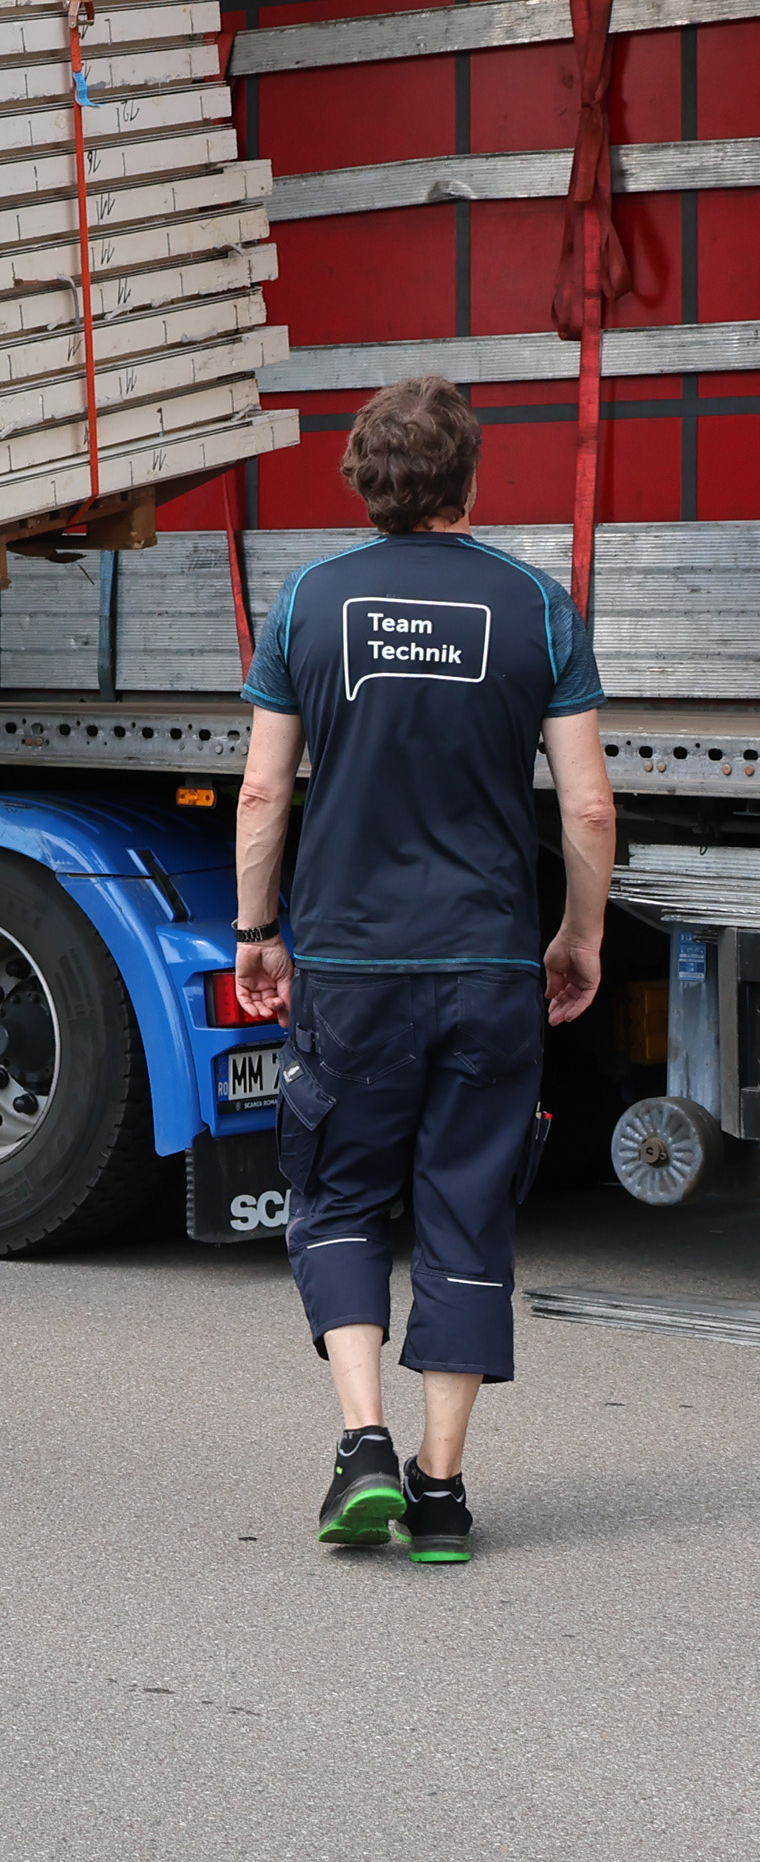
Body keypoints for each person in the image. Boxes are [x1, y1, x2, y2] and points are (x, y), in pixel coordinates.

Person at [232, 376, 615, 1564]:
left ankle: (364, 1447)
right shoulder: (535, 608)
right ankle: (442, 1492)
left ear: (363, 476)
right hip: (490, 962)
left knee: (339, 1196)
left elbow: (260, 791)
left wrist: (258, 929)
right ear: (471, 479)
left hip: (348, 963)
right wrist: (579, 933)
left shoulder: (310, 603)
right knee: (467, 1211)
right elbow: (589, 802)